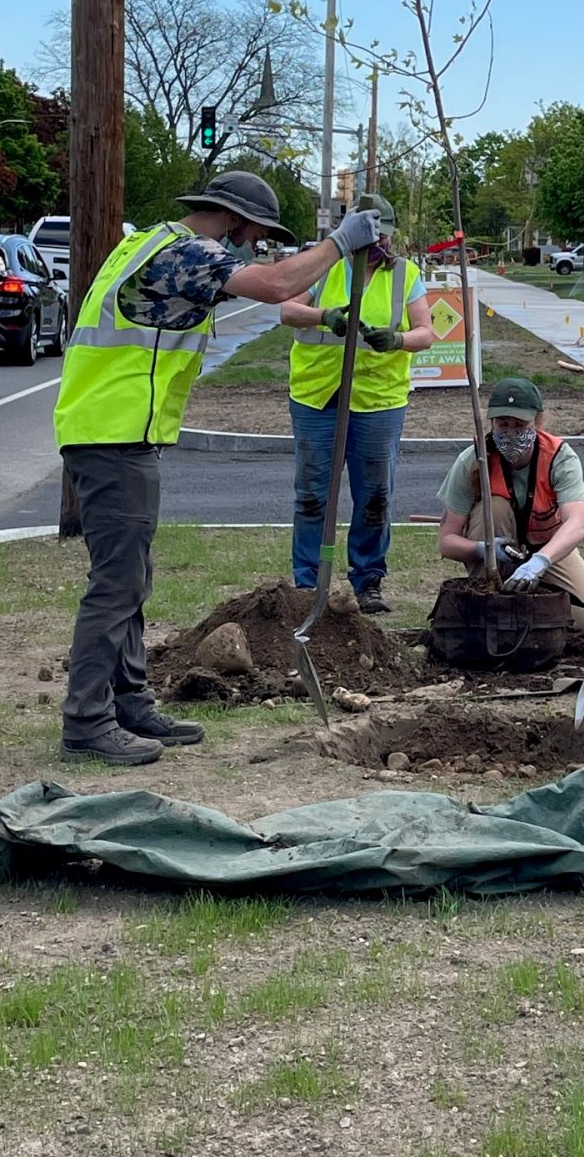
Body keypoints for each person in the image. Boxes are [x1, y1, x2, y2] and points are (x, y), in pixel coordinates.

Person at [53, 170, 381, 766]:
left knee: (132, 576)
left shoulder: (152, 244)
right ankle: (86, 721)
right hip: (112, 432)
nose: (253, 247)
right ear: (232, 220)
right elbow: (280, 285)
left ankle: (129, 703)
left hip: (112, 430)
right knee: (117, 584)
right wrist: (341, 240)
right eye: (254, 235)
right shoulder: (190, 252)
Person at [281, 194, 435, 615]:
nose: (377, 237)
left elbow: (426, 332)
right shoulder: (324, 265)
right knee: (312, 494)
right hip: (318, 396)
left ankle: (368, 581)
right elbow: (288, 311)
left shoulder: (405, 274)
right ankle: (308, 584)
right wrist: (324, 315)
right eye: (370, 228)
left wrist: (397, 340)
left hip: (378, 401)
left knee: (375, 495)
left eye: (383, 229)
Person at [435, 377, 584, 641]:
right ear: (491, 423)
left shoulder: (560, 458)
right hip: (494, 558)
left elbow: (575, 525)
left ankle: (534, 613)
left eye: (520, 425)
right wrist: (484, 548)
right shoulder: (472, 460)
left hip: (546, 550)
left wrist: (540, 560)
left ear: (538, 423)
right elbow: (447, 541)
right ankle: (489, 606)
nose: (511, 433)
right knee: (495, 508)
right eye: (503, 424)